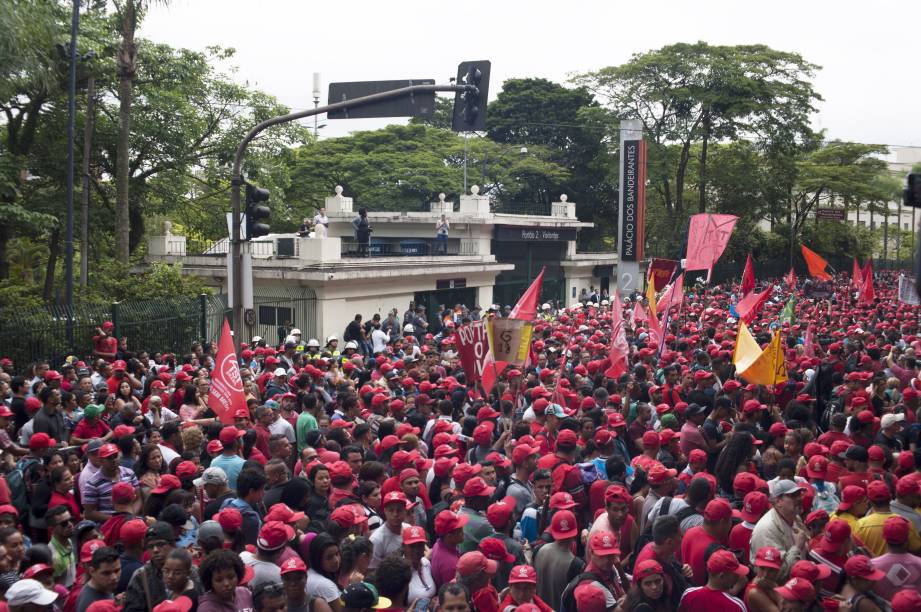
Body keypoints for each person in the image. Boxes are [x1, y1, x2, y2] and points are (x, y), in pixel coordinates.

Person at [677, 549, 748, 612]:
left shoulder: (688, 595)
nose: (739, 576)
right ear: (722, 576)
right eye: (735, 573)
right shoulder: (736, 606)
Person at [75, 546, 121, 611]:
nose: (114, 577)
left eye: (117, 571)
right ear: (92, 571)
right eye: (106, 573)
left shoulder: (105, 586)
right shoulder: (90, 604)